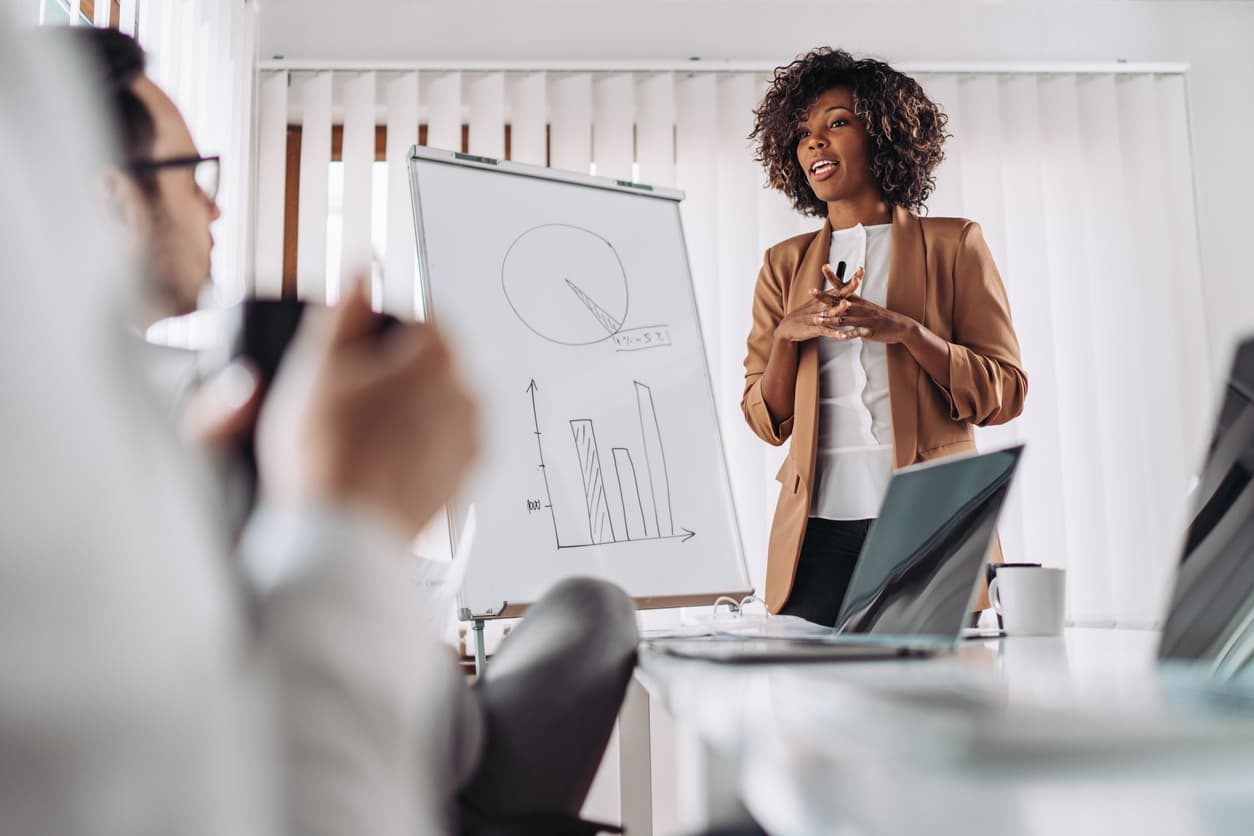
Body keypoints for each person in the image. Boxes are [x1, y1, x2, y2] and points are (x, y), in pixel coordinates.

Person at [23, 24, 638, 835]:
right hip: (339, 777)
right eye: (190, 175)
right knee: (586, 621)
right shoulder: (67, 466)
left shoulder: (150, 423)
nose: (213, 205)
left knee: (589, 610)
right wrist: (350, 528)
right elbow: (430, 742)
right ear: (112, 199)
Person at [742, 47, 1027, 627]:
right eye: (801, 134)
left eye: (837, 122)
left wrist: (908, 333)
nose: (815, 143)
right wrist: (789, 337)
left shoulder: (954, 244)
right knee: (810, 710)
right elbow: (764, 418)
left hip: (931, 519)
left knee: (937, 705)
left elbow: (1006, 393)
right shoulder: (782, 265)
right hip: (814, 532)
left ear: (885, 133)